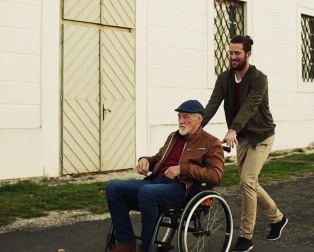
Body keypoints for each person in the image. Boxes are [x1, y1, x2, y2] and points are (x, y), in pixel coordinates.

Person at [202, 35, 287, 252]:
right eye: (230, 53)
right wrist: (195, 127)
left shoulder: (259, 79)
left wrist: (232, 129)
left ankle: (245, 237)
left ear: (248, 54)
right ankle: (277, 218)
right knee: (250, 183)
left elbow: (249, 106)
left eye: (237, 53)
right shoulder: (224, 78)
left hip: (261, 136)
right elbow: (212, 104)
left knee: (247, 182)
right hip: (242, 138)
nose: (232, 57)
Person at [105, 100, 225, 252]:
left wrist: (183, 169)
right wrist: (144, 160)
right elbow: (157, 159)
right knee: (113, 188)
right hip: (156, 182)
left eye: (186, 117)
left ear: (199, 119)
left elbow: (216, 175)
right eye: (179, 117)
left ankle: (146, 247)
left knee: (147, 193)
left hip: (181, 188)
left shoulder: (211, 142)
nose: (181, 121)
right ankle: (126, 243)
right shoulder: (173, 137)